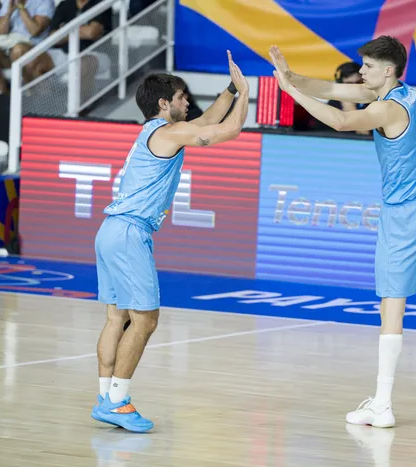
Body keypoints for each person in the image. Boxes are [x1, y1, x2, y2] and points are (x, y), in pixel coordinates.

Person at [269, 37, 416, 428]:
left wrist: (290, 93)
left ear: (387, 70)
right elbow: (331, 89)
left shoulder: (384, 109)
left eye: (366, 65)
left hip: (405, 215)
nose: (360, 71)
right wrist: (290, 75)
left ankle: (382, 404)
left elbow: (342, 120)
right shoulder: (407, 93)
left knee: (391, 306)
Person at [91, 50, 249, 433]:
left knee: (117, 318)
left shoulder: (156, 131)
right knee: (145, 321)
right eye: (181, 98)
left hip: (110, 230)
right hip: (130, 233)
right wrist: (245, 93)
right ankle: (118, 401)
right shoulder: (167, 131)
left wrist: (228, 89)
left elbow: (208, 119)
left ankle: (104, 395)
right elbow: (227, 131)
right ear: (164, 103)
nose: (187, 102)